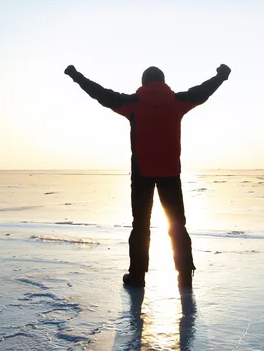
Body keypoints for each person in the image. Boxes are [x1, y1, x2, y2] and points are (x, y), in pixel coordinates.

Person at [64, 63, 231, 288]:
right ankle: (184, 275)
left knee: (140, 226)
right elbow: (203, 91)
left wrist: (76, 76)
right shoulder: (177, 102)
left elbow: (101, 94)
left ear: (143, 83)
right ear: (163, 82)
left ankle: (137, 277)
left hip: (142, 173)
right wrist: (221, 76)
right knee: (177, 224)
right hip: (170, 172)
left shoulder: (133, 104)